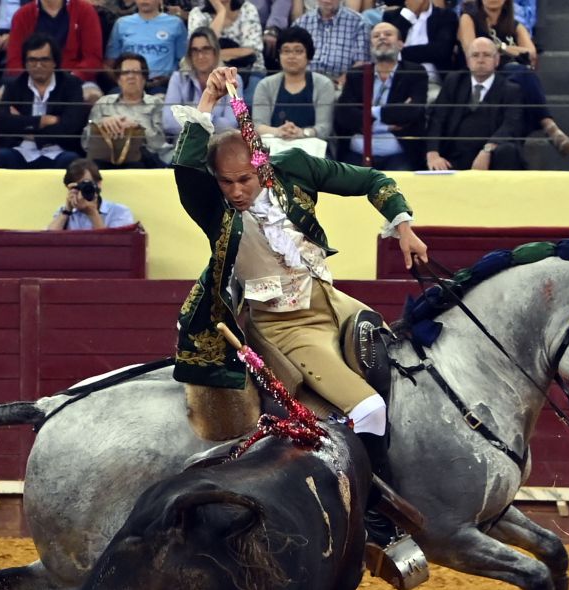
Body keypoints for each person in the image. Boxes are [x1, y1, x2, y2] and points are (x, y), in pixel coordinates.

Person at [170, 65, 428, 548]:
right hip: (285, 325)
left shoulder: (292, 169)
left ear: (261, 165)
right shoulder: (214, 207)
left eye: (244, 179)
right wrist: (206, 101)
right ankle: (370, 516)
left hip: (331, 298)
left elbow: (370, 179)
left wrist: (404, 226)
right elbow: (184, 166)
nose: (236, 191)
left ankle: (387, 471)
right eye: (225, 183)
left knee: (395, 355)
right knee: (369, 409)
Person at [457, 0, 569, 155]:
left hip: (509, 81)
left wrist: (501, 48)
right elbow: (471, 49)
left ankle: (508, 149)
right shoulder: (469, 18)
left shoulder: (514, 24)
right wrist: (508, 50)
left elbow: (530, 54)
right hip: (479, 77)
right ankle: (548, 125)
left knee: (520, 81)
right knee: (520, 74)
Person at [334, 20, 428, 170]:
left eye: (388, 34)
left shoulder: (415, 72)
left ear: (400, 43)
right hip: (356, 154)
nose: (382, 38)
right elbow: (343, 115)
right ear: (371, 46)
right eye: (376, 36)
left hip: (398, 156)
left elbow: (413, 111)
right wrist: (388, 124)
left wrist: (367, 115)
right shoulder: (356, 75)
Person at [425, 36, 524, 170]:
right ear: (467, 61)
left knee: (508, 150)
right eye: (475, 55)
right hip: (455, 156)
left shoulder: (510, 90)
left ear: (497, 60)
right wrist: (433, 153)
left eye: (487, 55)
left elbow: (510, 126)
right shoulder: (454, 82)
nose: (480, 60)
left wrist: (487, 149)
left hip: (492, 157)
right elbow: (437, 119)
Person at [0, 34, 88, 167]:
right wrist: (42, 121)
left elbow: (71, 126)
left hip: (58, 151)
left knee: (72, 160)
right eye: (32, 60)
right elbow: (5, 124)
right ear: (25, 63)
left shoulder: (71, 85)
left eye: (44, 60)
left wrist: (27, 127)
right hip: (22, 150)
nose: (38, 65)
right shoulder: (13, 85)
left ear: (55, 62)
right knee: (2, 157)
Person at [252, 26, 335, 153]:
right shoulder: (265, 85)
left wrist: (302, 133)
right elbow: (257, 126)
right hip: (274, 150)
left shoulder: (323, 84)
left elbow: (324, 127)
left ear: (309, 55)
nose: (291, 56)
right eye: (286, 51)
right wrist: (279, 131)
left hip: (313, 152)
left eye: (298, 51)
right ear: (279, 54)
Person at [84, 52, 171, 166]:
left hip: (143, 160)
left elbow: (159, 144)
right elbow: (85, 142)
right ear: (118, 80)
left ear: (144, 78)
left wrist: (136, 128)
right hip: (106, 158)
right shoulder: (103, 103)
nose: (131, 76)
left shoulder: (156, 104)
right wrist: (101, 125)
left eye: (136, 72)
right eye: (125, 72)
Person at [6, 0, 103, 102]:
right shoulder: (22, 14)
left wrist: (69, 79)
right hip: (31, 78)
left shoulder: (85, 11)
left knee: (92, 96)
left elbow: (93, 59)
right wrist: (32, 80)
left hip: (76, 79)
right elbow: (14, 61)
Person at [162, 27, 238, 139]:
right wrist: (209, 119)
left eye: (206, 49)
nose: (200, 56)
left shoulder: (231, 78)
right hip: (185, 146)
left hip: (218, 147)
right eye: (195, 50)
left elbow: (231, 123)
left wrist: (197, 119)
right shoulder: (178, 79)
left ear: (215, 52)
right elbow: (168, 122)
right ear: (189, 54)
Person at [188, 0, 265, 103]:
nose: (201, 55)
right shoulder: (179, 79)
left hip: (246, 71)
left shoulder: (234, 80)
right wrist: (221, 11)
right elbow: (168, 115)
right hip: (207, 77)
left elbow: (240, 117)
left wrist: (208, 116)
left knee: (244, 108)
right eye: (197, 51)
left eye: (207, 51)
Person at [382, 0, 457, 102]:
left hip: (430, 81)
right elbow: (388, 50)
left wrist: (401, 53)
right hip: (396, 80)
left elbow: (441, 51)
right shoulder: (392, 17)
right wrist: (409, 14)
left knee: (434, 101)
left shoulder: (445, 16)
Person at [105, 0, 186, 93]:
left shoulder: (175, 24)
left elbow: (184, 62)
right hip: (127, 85)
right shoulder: (121, 24)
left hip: (163, 86)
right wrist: (121, 80)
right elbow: (108, 63)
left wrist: (169, 80)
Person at [47, 157, 136, 229]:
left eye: (86, 185)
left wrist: (92, 213)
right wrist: (66, 212)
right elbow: (46, 242)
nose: (82, 191)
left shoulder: (119, 212)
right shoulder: (64, 212)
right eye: (78, 187)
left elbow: (115, 247)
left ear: (99, 184)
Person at [294, 0, 369, 85]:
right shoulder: (301, 23)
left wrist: (343, 81)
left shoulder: (358, 22)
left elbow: (362, 62)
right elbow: (291, 58)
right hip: (305, 83)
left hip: (340, 85)